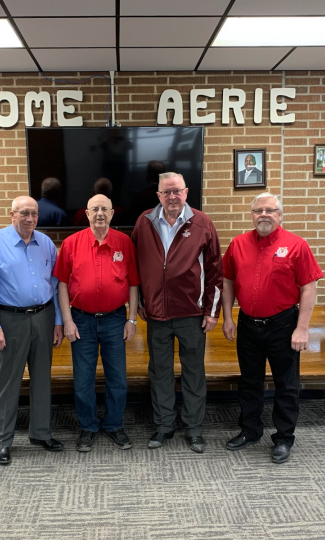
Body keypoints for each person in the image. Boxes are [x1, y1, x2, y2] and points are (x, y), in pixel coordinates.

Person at [221, 192, 323, 464]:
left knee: (286, 384)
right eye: (258, 211)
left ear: (280, 215)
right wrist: (228, 318)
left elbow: (309, 287)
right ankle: (251, 430)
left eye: (270, 210)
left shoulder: (297, 245)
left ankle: (283, 438)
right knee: (249, 382)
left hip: (283, 324)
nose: (263, 215)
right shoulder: (238, 244)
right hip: (248, 323)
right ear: (252, 215)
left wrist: (302, 329)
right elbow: (227, 281)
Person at [131, 172, 222, 453]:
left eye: (176, 191)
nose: (172, 197)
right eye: (166, 192)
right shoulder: (144, 222)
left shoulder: (202, 222)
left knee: (194, 373)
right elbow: (136, 267)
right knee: (160, 373)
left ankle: (194, 429)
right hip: (157, 315)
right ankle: (163, 426)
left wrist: (212, 311)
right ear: (158, 196)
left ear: (186, 192)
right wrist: (142, 303)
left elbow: (216, 271)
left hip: (192, 315)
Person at [0, 196, 65, 466]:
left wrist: (58, 321)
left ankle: (41, 433)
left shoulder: (46, 244)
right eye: (24, 213)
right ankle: (2, 441)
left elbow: (55, 283)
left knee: (42, 379)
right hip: (10, 320)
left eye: (34, 214)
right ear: (11, 214)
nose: (30, 219)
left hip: (43, 317)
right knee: (7, 382)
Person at [54, 194, 140, 452]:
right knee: (83, 380)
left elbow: (134, 283)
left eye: (105, 209)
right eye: (95, 209)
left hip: (115, 320)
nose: (100, 213)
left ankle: (114, 425)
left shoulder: (124, 242)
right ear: (87, 214)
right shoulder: (70, 244)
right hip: (81, 320)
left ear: (112, 214)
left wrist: (132, 318)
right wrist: (67, 321)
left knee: (118, 379)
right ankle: (88, 427)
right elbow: (62, 284)